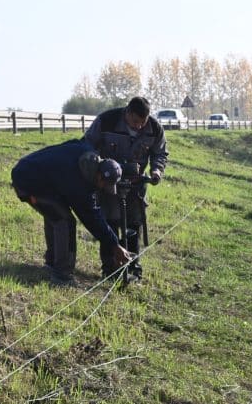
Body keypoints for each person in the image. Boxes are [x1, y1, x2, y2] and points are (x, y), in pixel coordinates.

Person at [11, 139, 131, 285]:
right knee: (65, 221)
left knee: (55, 214)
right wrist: (114, 245)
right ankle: (62, 275)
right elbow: (92, 219)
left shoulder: (88, 151)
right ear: (99, 175)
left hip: (33, 170)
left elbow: (72, 143)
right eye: (104, 184)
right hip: (27, 181)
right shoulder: (79, 184)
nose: (103, 188)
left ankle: (52, 262)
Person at [84, 96, 169, 280]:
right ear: (127, 113)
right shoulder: (107, 121)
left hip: (137, 186)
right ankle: (110, 267)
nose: (139, 126)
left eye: (142, 122)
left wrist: (156, 171)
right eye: (135, 122)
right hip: (110, 184)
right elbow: (87, 145)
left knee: (133, 224)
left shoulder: (154, 128)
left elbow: (160, 153)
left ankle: (133, 266)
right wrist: (98, 168)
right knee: (111, 222)